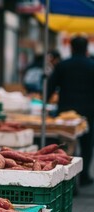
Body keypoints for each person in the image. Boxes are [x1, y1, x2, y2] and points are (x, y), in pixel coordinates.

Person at [47, 36, 94, 186]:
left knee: (67, 145)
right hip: (89, 111)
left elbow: (51, 85)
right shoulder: (92, 65)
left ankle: (67, 176)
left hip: (66, 111)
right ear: (86, 49)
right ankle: (85, 175)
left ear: (71, 48)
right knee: (87, 144)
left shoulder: (63, 65)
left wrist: (45, 102)